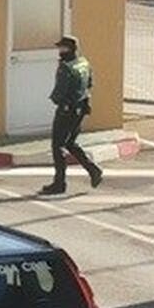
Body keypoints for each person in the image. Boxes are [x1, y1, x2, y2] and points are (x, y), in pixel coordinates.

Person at [40, 35, 103, 195]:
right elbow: (90, 83)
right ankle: (93, 170)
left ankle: (59, 183)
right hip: (80, 109)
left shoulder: (66, 67)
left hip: (67, 110)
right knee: (70, 143)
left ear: (70, 49)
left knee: (58, 147)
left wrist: (56, 99)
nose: (60, 50)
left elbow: (60, 92)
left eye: (63, 48)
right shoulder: (83, 63)